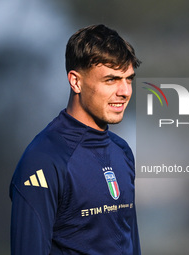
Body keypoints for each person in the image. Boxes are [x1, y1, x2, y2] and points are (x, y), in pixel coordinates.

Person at [9, 24, 141, 255]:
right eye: (111, 80)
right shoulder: (43, 160)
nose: (125, 91)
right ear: (75, 81)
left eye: (128, 79)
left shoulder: (122, 152)